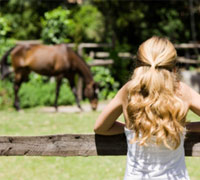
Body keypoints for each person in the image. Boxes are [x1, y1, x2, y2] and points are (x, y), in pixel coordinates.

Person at [94, 36, 200, 180]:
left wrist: (134, 129)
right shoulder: (183, 91)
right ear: (174, 69)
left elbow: (101, 127)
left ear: (138, 65)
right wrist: (182, 127)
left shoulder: (129, 91)